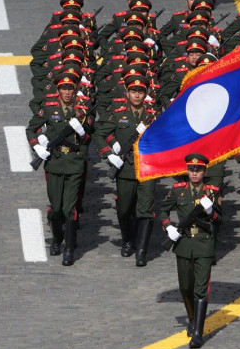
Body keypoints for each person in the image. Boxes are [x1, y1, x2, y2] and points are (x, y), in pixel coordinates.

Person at [26, 73, 93, 266]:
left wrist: (82, 132)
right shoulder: (49, 108)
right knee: (55, 209)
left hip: (74, 163)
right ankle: (57, 238)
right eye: (63, 88)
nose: (67, 92)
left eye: (70, 88)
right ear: (58, 90)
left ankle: (70, 248)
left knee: (69, 208)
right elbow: (32, 129)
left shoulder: (82, 110)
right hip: (54, 163)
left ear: (75, 90)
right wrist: (37, 145)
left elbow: (91, 136)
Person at [93, 73, 158, 265]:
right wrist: (109, 153)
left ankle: (141, 250)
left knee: (144, 210)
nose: (137, 95)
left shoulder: (153, 116)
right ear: (127, 93)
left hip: (147, 169)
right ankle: (128, 240)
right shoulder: (119, 114)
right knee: (124, 210)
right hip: (125, 169)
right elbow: (99, 134)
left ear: (145, 93)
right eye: (133, 91)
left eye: (140, 91)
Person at [159, 154, 222, 348]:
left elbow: (219, 220)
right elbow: (162, 210)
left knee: (200, 288)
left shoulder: (212, 192)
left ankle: (198, 332)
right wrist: (169, 226)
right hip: (184, 243)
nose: (194, 174)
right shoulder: (179, 191)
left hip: (204, 243)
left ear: (204, 172)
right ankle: (193, 318)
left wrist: (211, 211)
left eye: (198, 170)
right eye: (191, 170)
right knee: (186, 287)